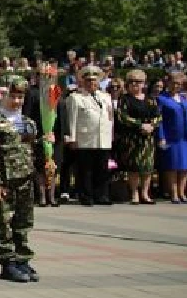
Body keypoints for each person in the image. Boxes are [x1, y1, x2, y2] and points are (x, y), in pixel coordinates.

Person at [0, 75, 44, 283]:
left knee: (23, 220)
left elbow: (33, 150)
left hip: (25, 179)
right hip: (6, 181)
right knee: (4, 222)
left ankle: (22, 258)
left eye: (21, 96)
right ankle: (7, 260)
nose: (17, 101)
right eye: (13, 96)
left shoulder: (27, 122)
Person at [62, 64, 115, 206]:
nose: (92, 83)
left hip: (103, 138)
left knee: (102, 169)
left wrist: (111, 136)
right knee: (85, 170)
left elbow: (110, 118)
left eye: (94, 80)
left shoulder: (106, 97)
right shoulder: (76, 98)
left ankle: (102, 195)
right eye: (88, 81)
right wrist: (72, 138)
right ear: (83, 82)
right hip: (85, 138)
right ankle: (86, 195)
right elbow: (72, 119)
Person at [114, 69, 160, 205]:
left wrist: (151, 125)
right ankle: (134, 194)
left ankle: (145, 194)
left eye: (138, 82)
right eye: (132, 82)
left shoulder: (150, 99)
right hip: (132, 138)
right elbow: (123, 116)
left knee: (147, 167)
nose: (135, 84)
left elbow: (158, 116)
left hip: (148, 138)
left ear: (143, 84)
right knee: (134, 167)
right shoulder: (125, 99)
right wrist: (140, 125)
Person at [156, 71, 187, 203]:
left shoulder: (185, 99)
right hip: (171, 137)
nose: (176, 86)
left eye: (178, 84)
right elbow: (159, 119)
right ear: (168, 83)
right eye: (173, 83)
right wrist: (161, 136)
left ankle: (182, 192)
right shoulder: (162, 99)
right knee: (172, 166)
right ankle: (173, 194)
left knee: (185, 166)